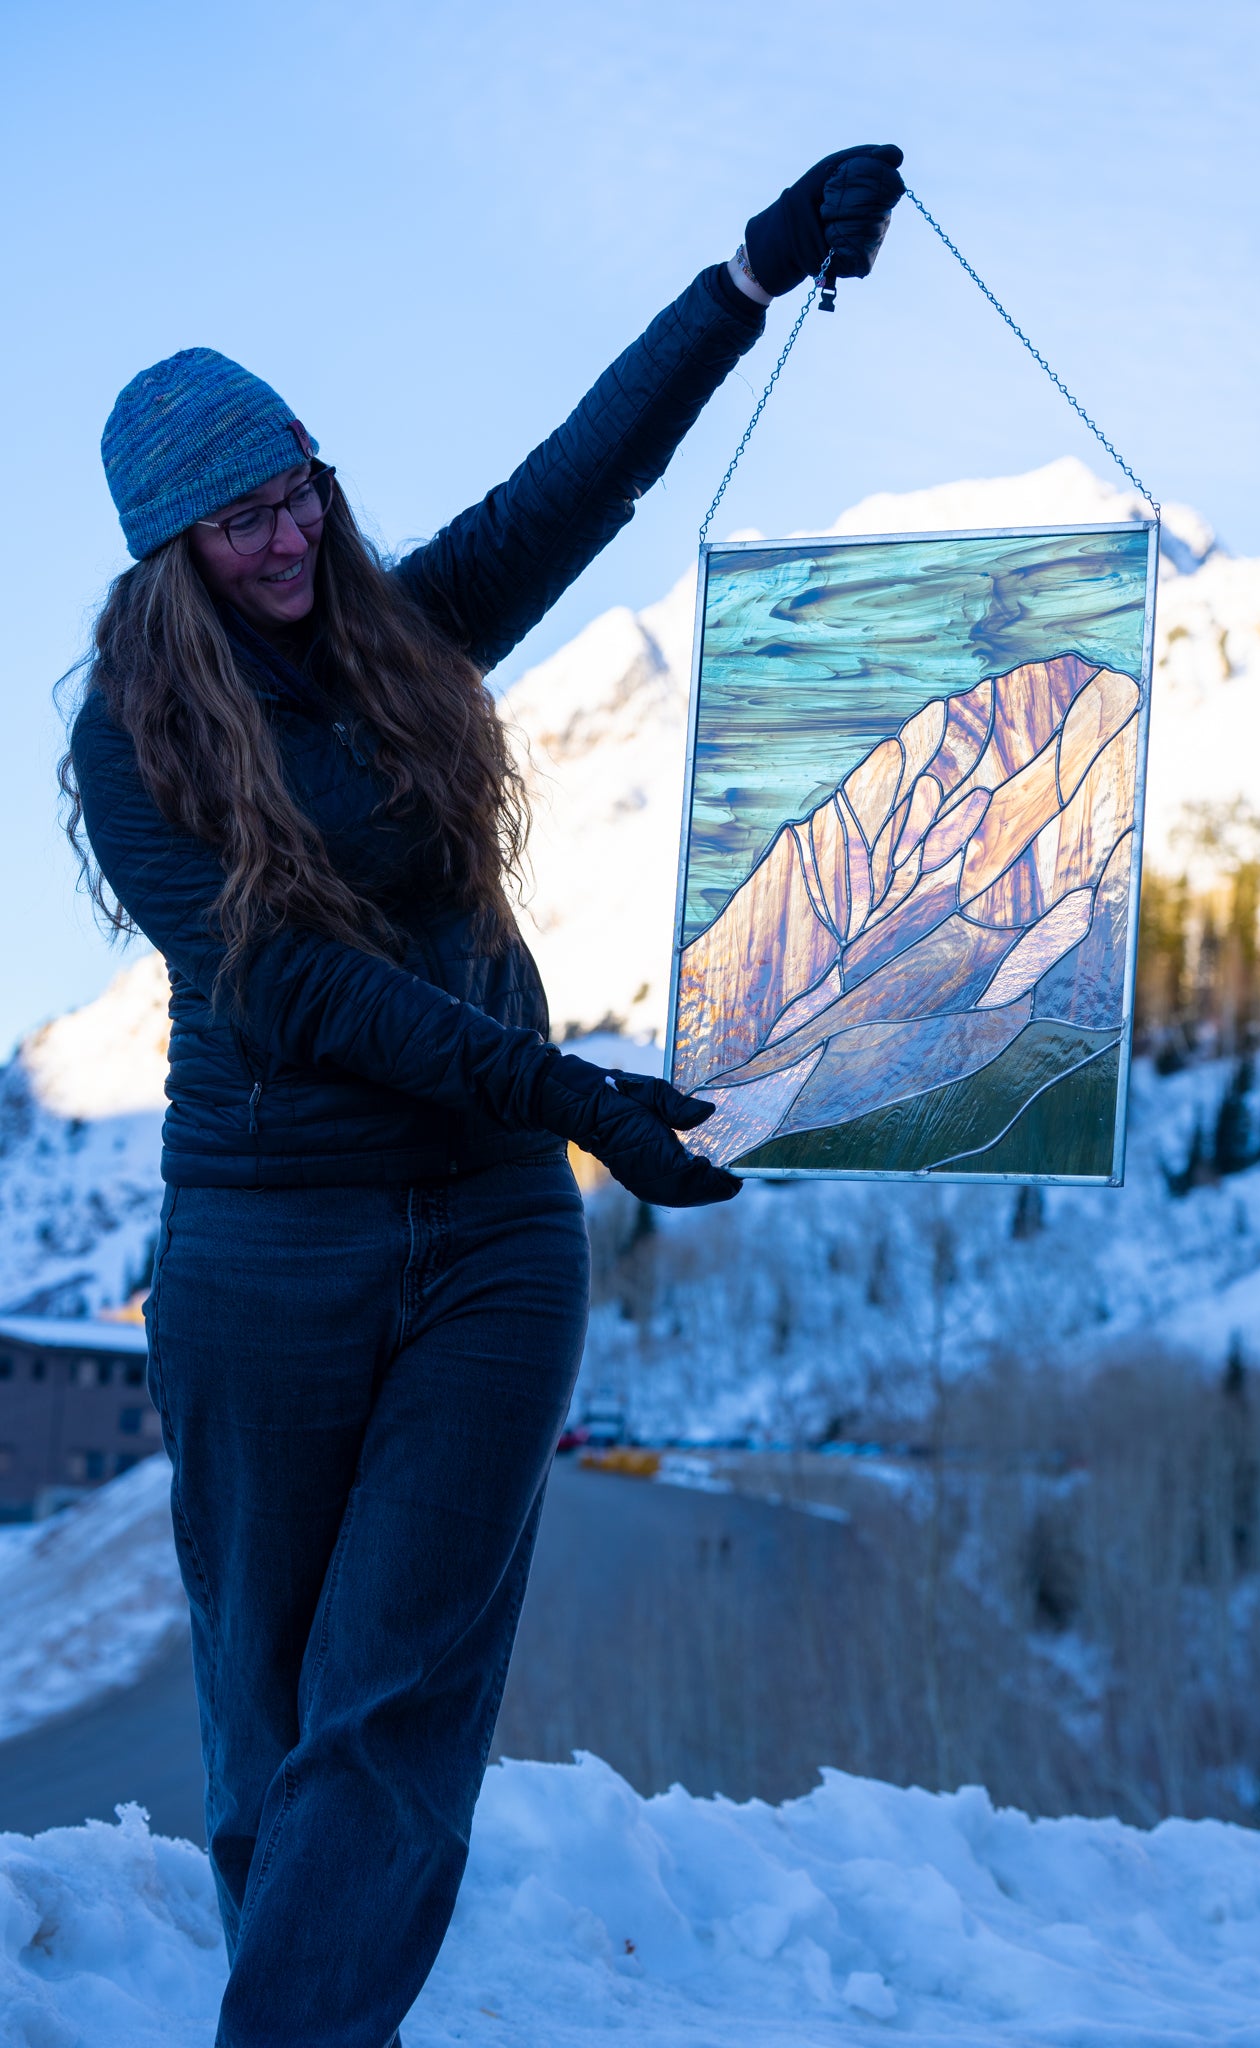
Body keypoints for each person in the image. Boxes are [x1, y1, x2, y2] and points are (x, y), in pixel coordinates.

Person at [62, 144, 905, 2048]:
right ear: (170, 552)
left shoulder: (398, 637)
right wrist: (571, 1090)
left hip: (493, 1241)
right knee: (269, 1707)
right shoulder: (135, 737)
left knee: (394, 1699)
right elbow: (293, 989)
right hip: (267, 1247)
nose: (284, 542)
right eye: (236, 524)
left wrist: (748, 278)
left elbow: (573, 484)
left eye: (297, 494)